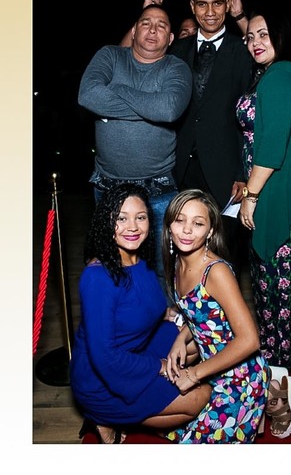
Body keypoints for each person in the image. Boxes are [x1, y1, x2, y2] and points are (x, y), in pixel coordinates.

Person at [69, 183, 211, 443]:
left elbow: (139, 304)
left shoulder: (139, 260)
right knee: (201, 396)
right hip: (101, 377)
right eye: (122, 218)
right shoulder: (97, 277)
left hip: (136, 347)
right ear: (106, 222)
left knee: (193, 341)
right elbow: (105, 357)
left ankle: (149, 402)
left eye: (140, 217)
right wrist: (160, 367)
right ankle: (106, 417)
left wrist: (168, 315)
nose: (133, 227)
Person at [235, 8, 291, 378]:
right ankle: (281, 354)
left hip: (279, 188)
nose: (255, 42)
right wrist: (242, 18)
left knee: (279, 282)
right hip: (278, 186)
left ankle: (281, 363)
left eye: (264, 35)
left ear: (281, 37)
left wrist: (251, 195)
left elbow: (271, 147)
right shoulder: (279, 71)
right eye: (250, 37)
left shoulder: (280, 76)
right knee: (274, 277)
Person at [78, 4, 191, 253]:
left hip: (158, 189)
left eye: (161, 25)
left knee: (160, 266)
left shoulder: (177, 68)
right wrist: (150, 106)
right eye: (146, 23)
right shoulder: (110, 55)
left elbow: (169, 110)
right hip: (108, 185)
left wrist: (118, 90)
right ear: (133, 30)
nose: (153, 29)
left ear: (171, 38)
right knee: (111, 262)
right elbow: (88, 96)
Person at [162, 190, 270, 443]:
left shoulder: (216, 272)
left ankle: (269, 393)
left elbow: (250, 340)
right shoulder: (178, 261)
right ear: (168, 226)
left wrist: (194, 373)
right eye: (180, 220)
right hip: (212, 370)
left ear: (210, 231)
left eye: (198, 223)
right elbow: (201, 313)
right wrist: (180, 340)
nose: (187, 230)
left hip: (241, 378)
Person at [169, 0, 256, 258]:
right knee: (183, 254)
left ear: (227, 5)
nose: (210, 11)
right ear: (192, 7)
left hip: (225, 174)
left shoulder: (243, 52)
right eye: (202, 4)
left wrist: (243, 174)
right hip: (181, 170)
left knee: (224, 256)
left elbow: (251, 120)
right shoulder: (176, 51)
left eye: (217, 3)